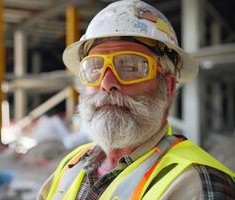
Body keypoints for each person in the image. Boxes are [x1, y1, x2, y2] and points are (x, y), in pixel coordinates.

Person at [38, 0, 235, 199]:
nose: (107, 83)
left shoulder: (198, 182)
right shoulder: (73, 162)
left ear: (167, 87)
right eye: (95, 68)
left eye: (131, 67)